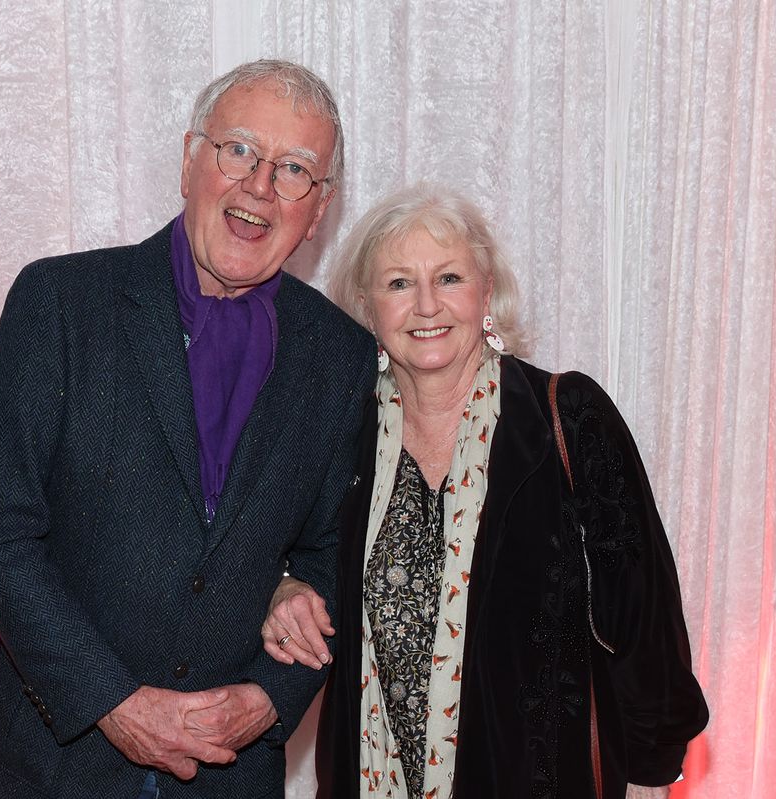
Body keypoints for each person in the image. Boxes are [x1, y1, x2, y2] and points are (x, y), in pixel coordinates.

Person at [0, 60, 375, 799]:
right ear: (189, 161)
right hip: (53, 767)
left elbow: (333, 556)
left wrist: (270, 696)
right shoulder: (60, 302)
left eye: (294, 169)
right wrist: (114, 703)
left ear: (318, 210)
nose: (260, 186)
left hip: (230, 775)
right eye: (239, 150)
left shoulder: (343, 356)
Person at [262, 184, 709, 798]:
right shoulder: (341, 434)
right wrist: (283, 586)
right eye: (398, 283)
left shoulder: (568, 417)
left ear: (486, 291)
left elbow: (642, 612)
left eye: (449, 278)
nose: (426, 305)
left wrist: (653, 765)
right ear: (367, 308)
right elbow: (272, 552)